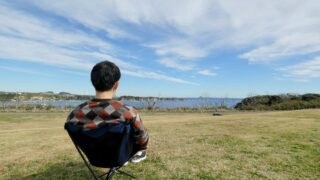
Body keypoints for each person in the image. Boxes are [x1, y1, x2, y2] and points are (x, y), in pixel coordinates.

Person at [66, 60, 149, 163]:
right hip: (121, 156)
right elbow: (142, 139)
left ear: (93, 83)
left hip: (94, 157)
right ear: (116, 85)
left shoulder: (74, 113)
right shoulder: (128, 112)